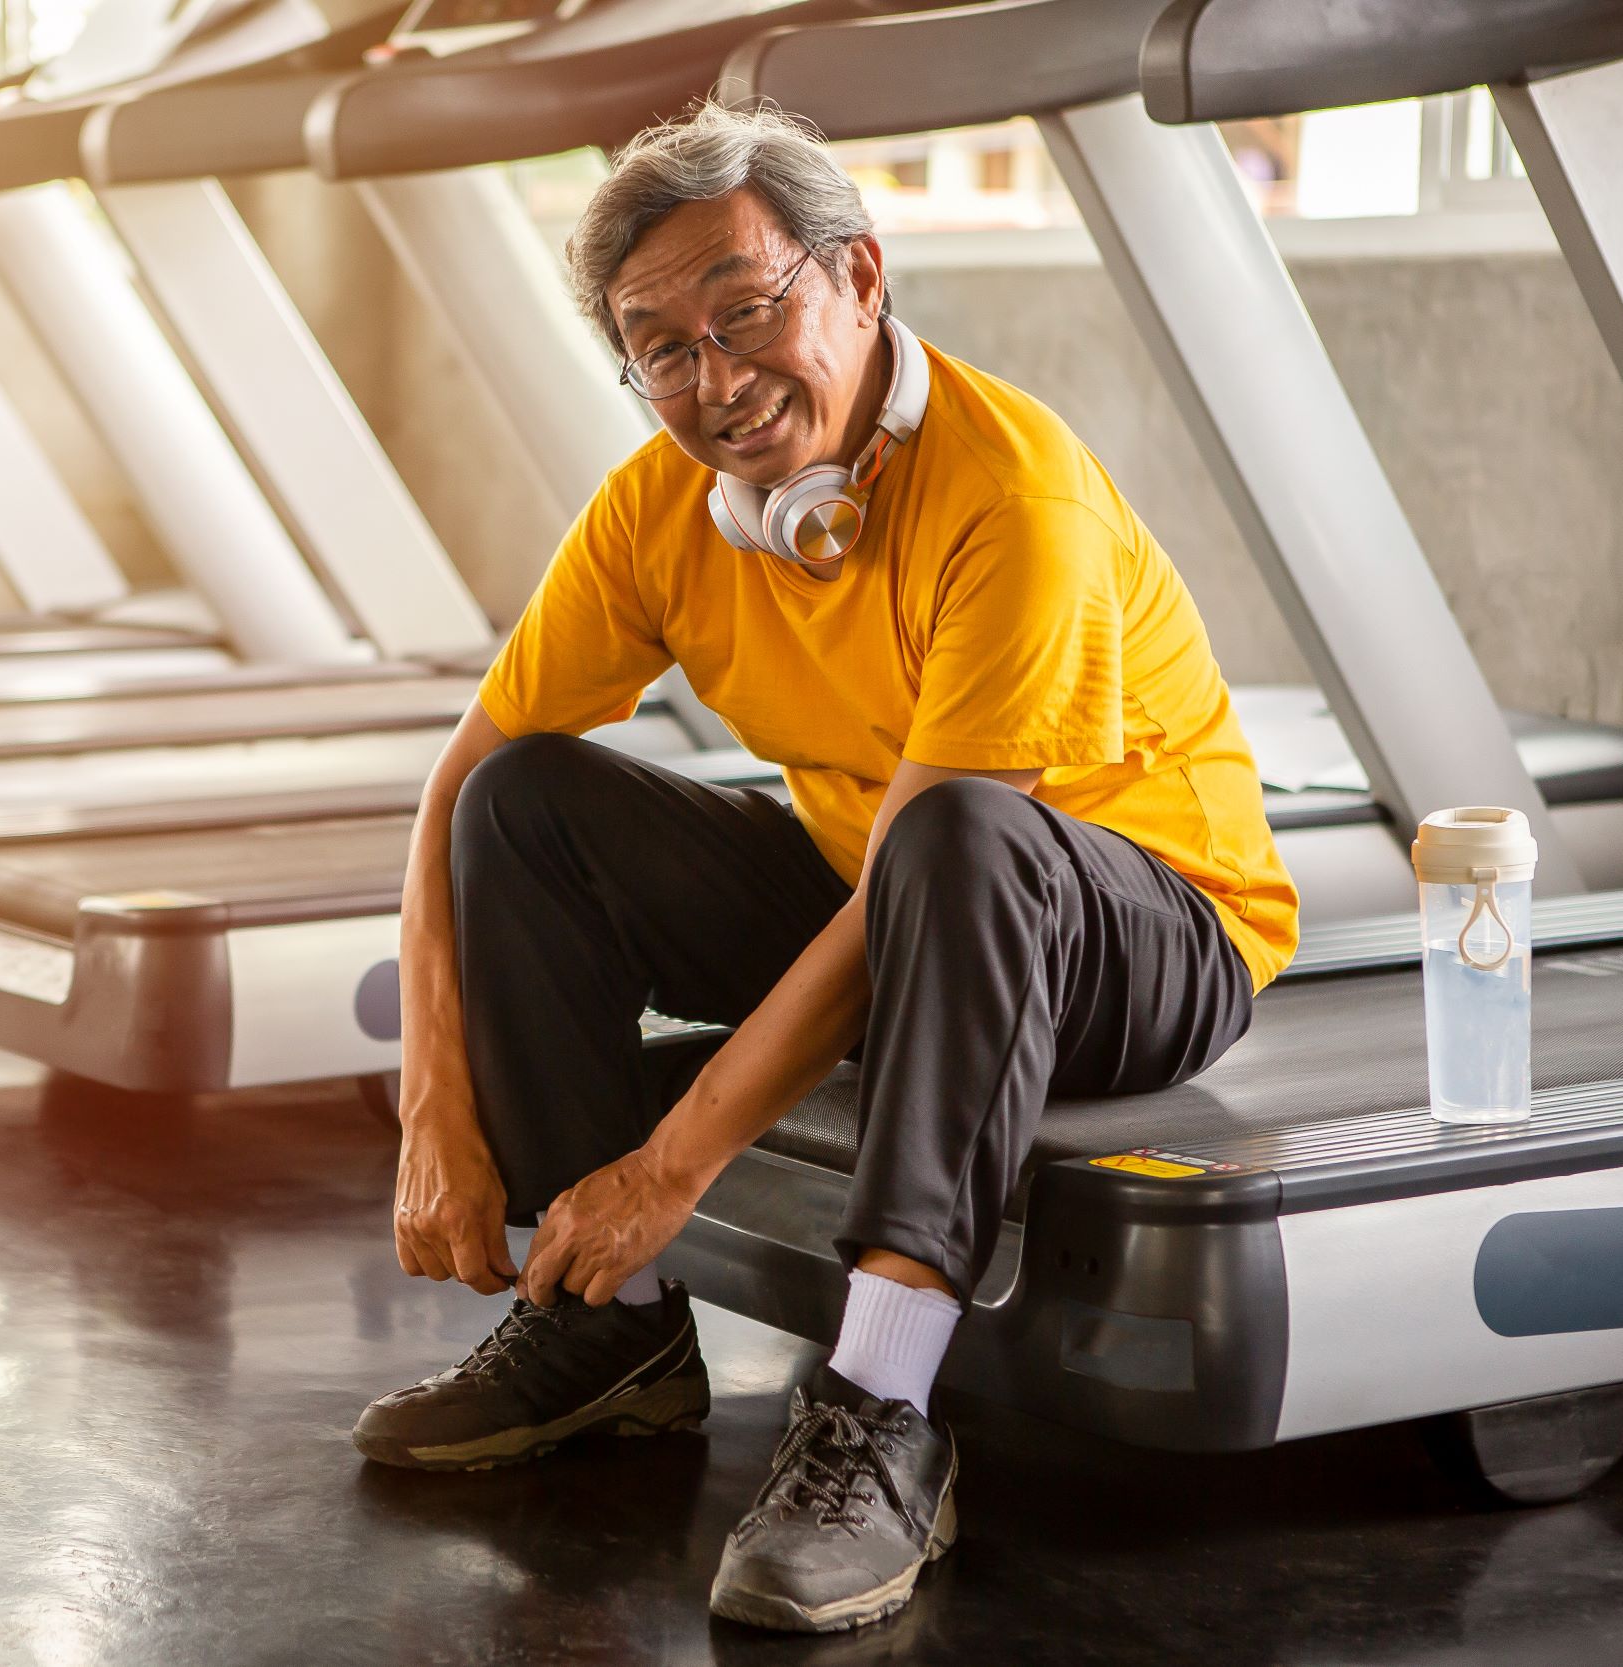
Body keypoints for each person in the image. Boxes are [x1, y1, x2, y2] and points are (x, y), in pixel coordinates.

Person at [351, 102, 1298, 1635]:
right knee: (523, 801)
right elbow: (456, 780)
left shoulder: (1012, 494)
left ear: (859, 273)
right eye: (662, 348)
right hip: (895, 879)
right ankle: (616, 1340)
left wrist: (672, 1168)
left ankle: (881, 1410)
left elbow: (951, 844)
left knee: (955, 831)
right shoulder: (661, 511)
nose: (714, 380)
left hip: (1143, 927)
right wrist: (431, 1104)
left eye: (746, 310)